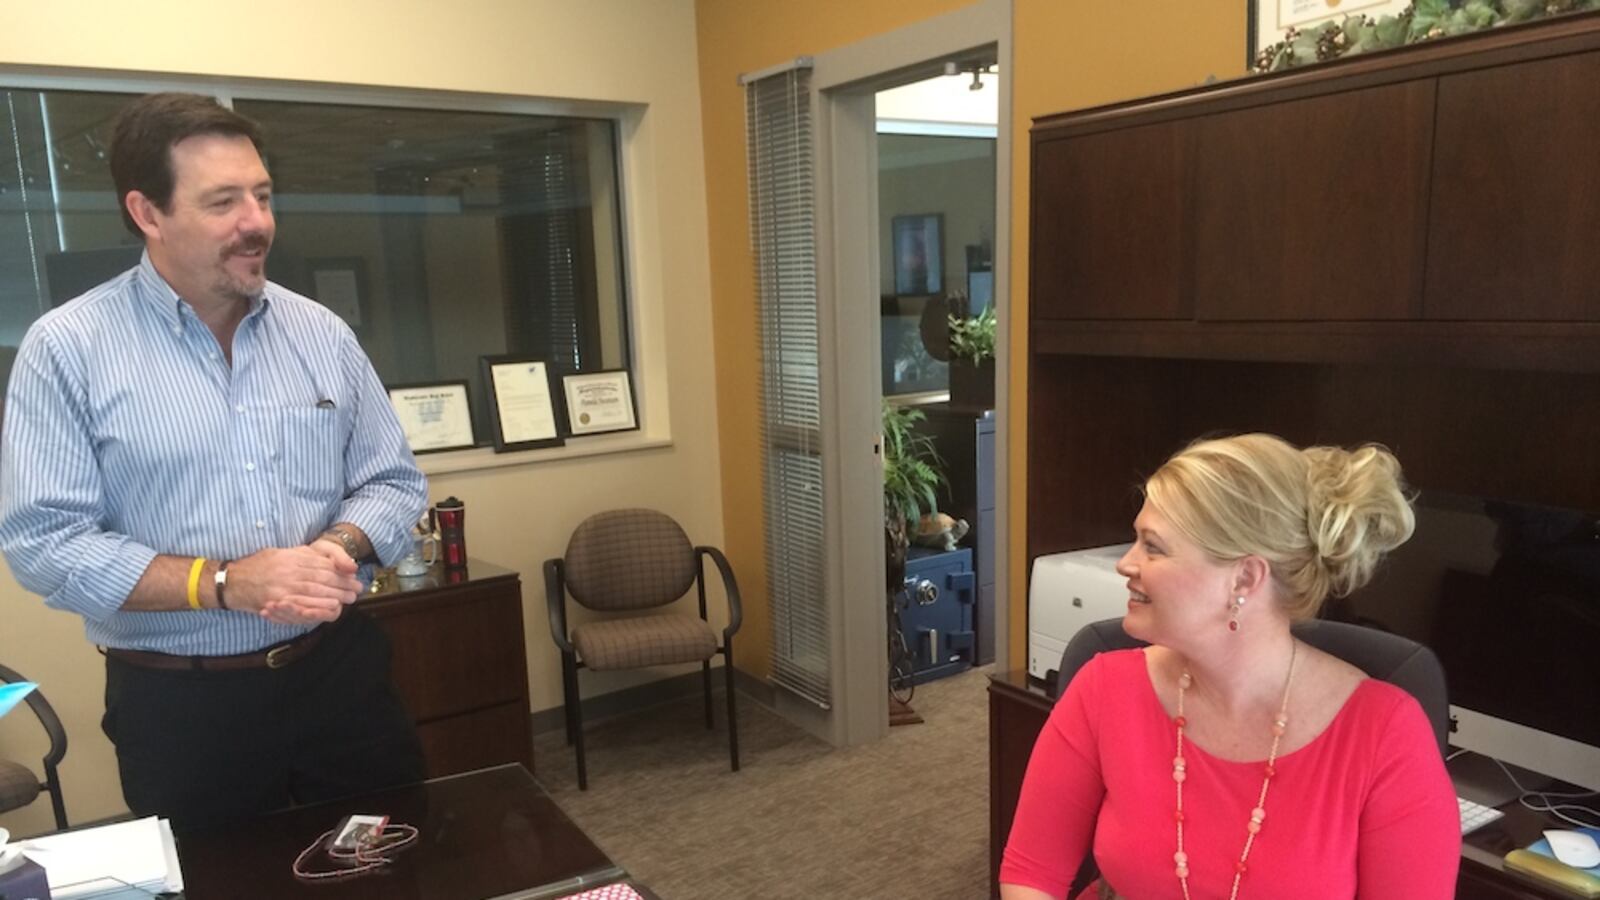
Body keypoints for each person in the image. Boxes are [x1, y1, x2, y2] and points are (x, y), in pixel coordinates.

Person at [0, 93, 428, 829]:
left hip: (338, 676)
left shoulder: (320, 333)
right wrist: (227, 582)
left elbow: (391, 480)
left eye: (262, 195)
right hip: (181, 705)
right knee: (221, 878)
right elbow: (46, 545)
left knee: (392, 861)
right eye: (223, 201)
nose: (256, 221)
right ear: (148, 212)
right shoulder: (68, 348)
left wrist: (335, 548)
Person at [1000, 433, 1459, 899]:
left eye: (1153, 547)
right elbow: (1030, 874)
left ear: (1245, 577)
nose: (1126, 563)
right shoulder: (1104, 688)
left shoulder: (1385, 736)